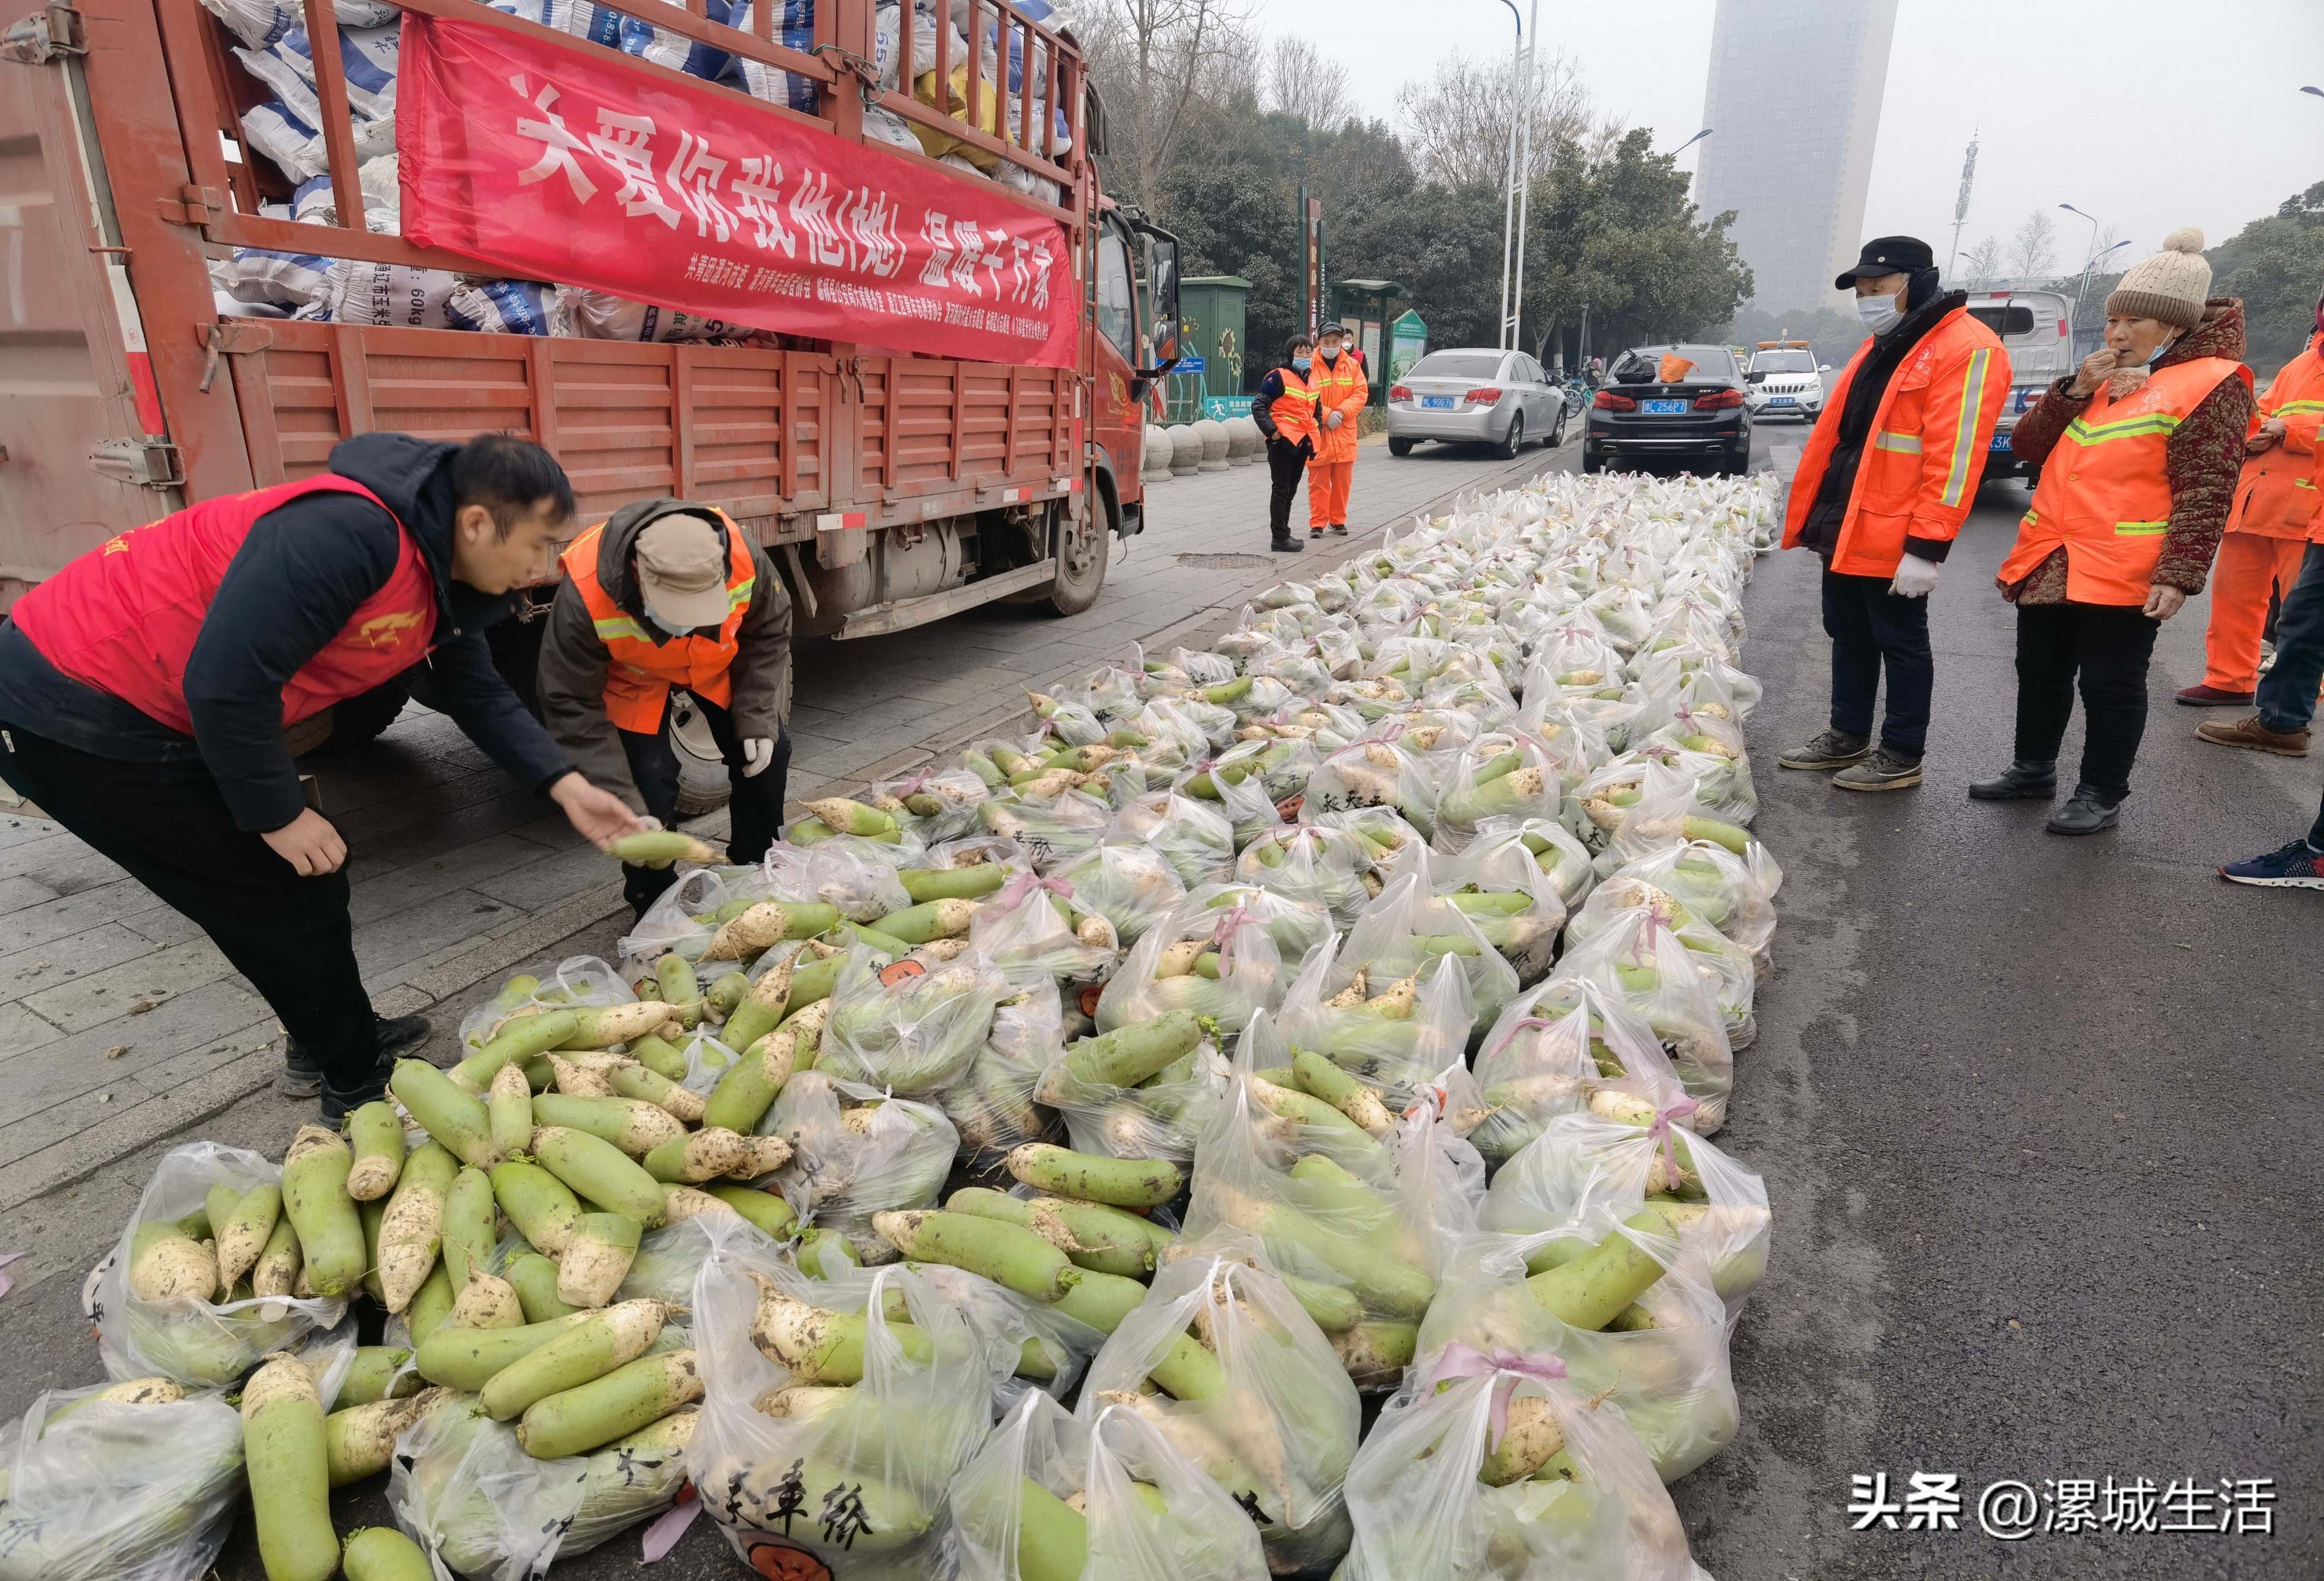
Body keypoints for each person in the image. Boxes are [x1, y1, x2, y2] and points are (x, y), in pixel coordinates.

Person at [0, 433, 646, 1119]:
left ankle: (332, 1038)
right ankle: (355, 1083)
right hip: (72, 708)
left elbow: (476, 691)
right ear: (479, 524)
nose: (546, 567)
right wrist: (278, 813)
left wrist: (564, 784)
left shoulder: (441, 570)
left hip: (159, 703)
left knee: (306, 876)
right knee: (276, 889)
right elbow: (225, 685)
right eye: (542, 546)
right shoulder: (349, 533)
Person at [1975, 229, 2254, 834]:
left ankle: (2100, 793)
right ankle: (2032, 770)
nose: (2118, 334)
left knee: (2110, 682)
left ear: (2174, 328)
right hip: (2052, 554)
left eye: (2135, 322)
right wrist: (2075, 389)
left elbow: (2206, 485)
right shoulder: (2106, 376)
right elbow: (2028, 446)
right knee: (2040, 670)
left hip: (2125, 562)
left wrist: (2178, 575)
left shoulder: (2213, 380)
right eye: (2112, 320)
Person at [1776, 236, 2009, 792]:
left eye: (1877, 289)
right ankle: (1847, 733)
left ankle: (1902, 751)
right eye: (1860, 291)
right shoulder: (1883, 341)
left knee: (1899, 641)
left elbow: (1956, 459)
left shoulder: (1968, 348)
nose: (1867, 300)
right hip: (1848, 519)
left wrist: (1927, 548)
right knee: (1847, 632)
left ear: (1915, 283)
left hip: (1897, 530)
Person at [536, 499, 794, 918]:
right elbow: (568, 699)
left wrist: (757, 716)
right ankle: (652, 902)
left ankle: (755, 869)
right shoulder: (586, 587)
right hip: (633, 677)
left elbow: (769, 628)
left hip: (715, 663)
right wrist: (623, 802)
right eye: (678, 614)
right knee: (646, 788)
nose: (687, 626)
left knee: (768, 754)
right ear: (637, 576)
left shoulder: (742, 554)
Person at [2177, 288, 2324, 706]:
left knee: (2304, 613)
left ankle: (2304, 687)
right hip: (2254, 502)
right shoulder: (2298, 364)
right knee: (2233, 599)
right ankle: (2227, 678)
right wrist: (2255, 432)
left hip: (2310, 511)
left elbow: (2285, 421)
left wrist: (2288, 429)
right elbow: (2263, 412)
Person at [1251, 333, 1320, 553]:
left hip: (1301, 443)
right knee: (1281, 490)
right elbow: (1259, 406)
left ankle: (1284, 532)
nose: (1305, 356)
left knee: (1290, 490)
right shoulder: (1278, 377)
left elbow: (1315, 409)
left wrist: (1315, 428)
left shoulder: (1312, 379)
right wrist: (1273, 433)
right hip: (1282, 442)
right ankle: (1279, 537)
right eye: (1300, 352)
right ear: (1291, 354)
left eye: (1308, 352)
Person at [1307, 323, 1367, 538]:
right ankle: (1318, 523)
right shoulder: (1309, 366)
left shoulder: (1352, 366)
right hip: (1319, 432)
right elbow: (1305, 395)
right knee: (1318, 482)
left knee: (1342, 482)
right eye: (1326, 342)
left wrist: (1341, 413)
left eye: (1335, 342)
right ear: (1318, 341)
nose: (1331, 346)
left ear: (1342, 341)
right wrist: (1326, 414)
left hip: (1344, 430)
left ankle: (1338, 520)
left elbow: (1361, 393)